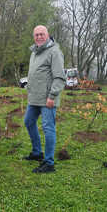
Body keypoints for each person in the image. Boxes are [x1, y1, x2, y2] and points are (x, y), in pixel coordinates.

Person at [23, 25, 66, 173]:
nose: (39, 37)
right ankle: (37, 153)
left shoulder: (54, 52)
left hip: (48, 99)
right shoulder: (35, 52)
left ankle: (49, 163)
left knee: (48, 129)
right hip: (34, 97)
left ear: (47, 35)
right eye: (36, 35)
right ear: (33, 37)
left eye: (42, 34)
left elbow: (60, 77)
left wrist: (52, 96)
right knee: (28, 121)